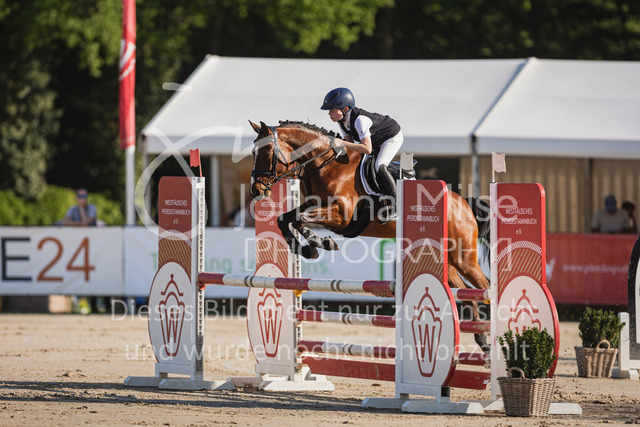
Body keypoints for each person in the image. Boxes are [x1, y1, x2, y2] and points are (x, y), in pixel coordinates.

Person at [321, 87, 403, 223]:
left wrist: (341, 143)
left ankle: (397, 205)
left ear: (345, 109)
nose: (329, 113)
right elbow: (350, 146)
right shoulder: (342, 122)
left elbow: (367, 148)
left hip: (391, 137)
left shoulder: (360, 120)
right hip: (377, 140)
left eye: (332, 109)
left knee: (379, 166)